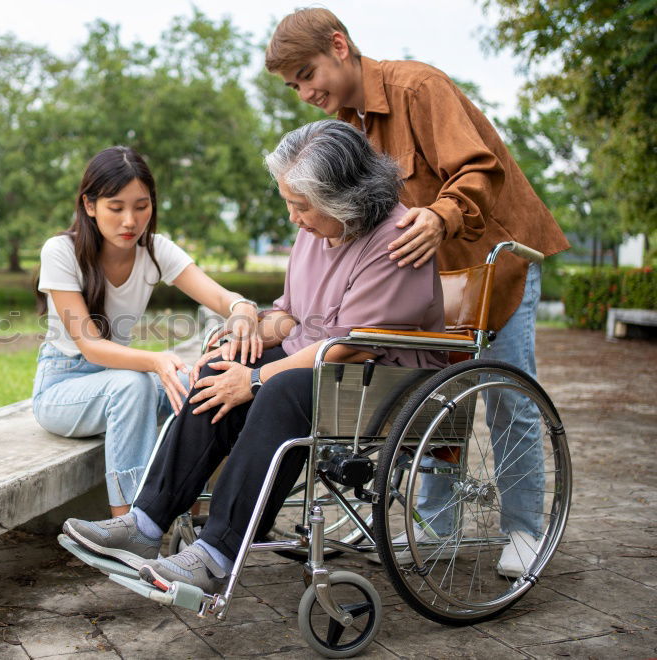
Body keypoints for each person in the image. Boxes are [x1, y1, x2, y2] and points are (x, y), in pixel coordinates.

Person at [63, 120, 447, 591]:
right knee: (219, 367)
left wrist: (257, 379)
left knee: (276, 387)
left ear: (343, 200)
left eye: (300, 206)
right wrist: (247, 330)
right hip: (321, 365)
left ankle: (216, 552)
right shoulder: (317, 228)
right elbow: (292, 317)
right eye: (289, 202)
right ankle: (145, 523)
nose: (292, 218)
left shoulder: (394, 240)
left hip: (378, 378)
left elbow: (353, 343)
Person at [263, 7, 571, 577]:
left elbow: (481, 169)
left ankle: (526, 530)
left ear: (339, 46)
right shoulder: (345, 133)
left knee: (508, 399)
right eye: (293, 85)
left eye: (308, 74)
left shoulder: (418, 88)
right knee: (427, 396)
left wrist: (440, 215)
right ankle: (435, 526)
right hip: (418, 288)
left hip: (489, 267)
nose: (304, 91)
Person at [33, 146, 262, 518]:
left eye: (141, 206)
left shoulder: (155, 251)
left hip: (120, 380)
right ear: (89, 205)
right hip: (62, 388)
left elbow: (222, 296)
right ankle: (129, 523)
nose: (130, 220)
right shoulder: (61, 251)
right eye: (116, 207)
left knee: (207, 385)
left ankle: (206, 508)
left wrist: (241, 310)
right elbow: (90, 345)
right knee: (132, 384)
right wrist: (156, 361)